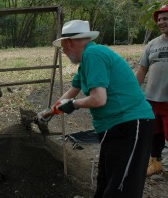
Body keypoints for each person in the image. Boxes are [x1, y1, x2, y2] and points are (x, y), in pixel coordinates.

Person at [41, 20, 155, 197]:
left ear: (68, 42)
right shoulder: (86, 62)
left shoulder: (93, 54)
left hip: (131, 124)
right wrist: (48, 112)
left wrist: (74, 105)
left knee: (122, 187)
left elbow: (99, 99)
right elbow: (71, 92)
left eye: (63, 47)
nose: (63, 52)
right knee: (106, 184)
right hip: (112, 128)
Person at [135, 4, 168, 176]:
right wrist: (131, 92)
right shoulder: (152, 44)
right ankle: (155, 162)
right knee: (154, 133)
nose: (161, 22)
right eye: (159, 19)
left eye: (165, 18)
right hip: (152, 99)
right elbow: (142, 70)